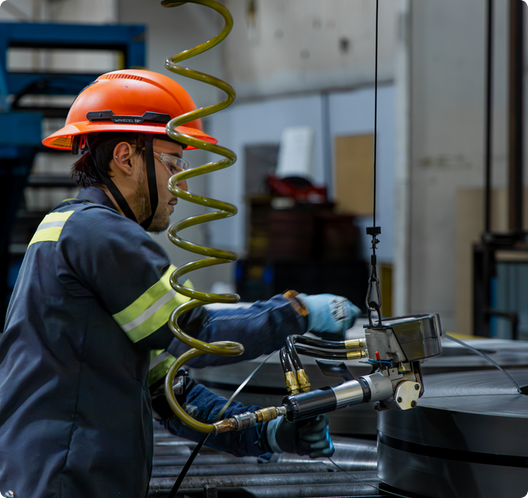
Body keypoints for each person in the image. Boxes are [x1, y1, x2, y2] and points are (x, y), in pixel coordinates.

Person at [0, 69, 361, 498]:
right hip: (68, 479)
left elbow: (169, 390)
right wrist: (299, 313)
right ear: (125, 157)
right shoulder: (104, 235)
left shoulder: (69, 227)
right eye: (173, 162)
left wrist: (266, 433)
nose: (182, 186)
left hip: (49, 472)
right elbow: (197, 335)